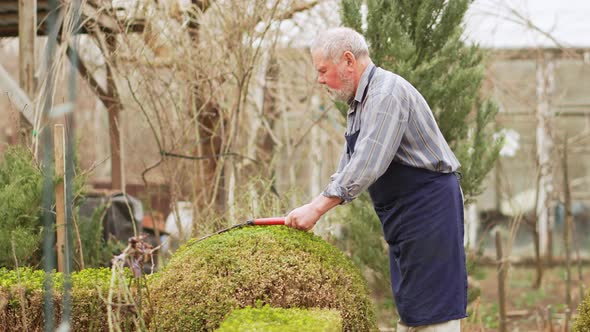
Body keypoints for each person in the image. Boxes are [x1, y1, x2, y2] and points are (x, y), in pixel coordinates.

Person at [284, 27, 467, 331]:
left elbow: (367, 164)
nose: (319, 79)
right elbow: (348, 166)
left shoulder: (386, 94)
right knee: (412, 307)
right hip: (406, 215)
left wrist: (316, 209)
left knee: (434, 312)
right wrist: (312, 205)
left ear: (347, 61)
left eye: (322, 70)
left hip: (430, 208)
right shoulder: (359, 104)